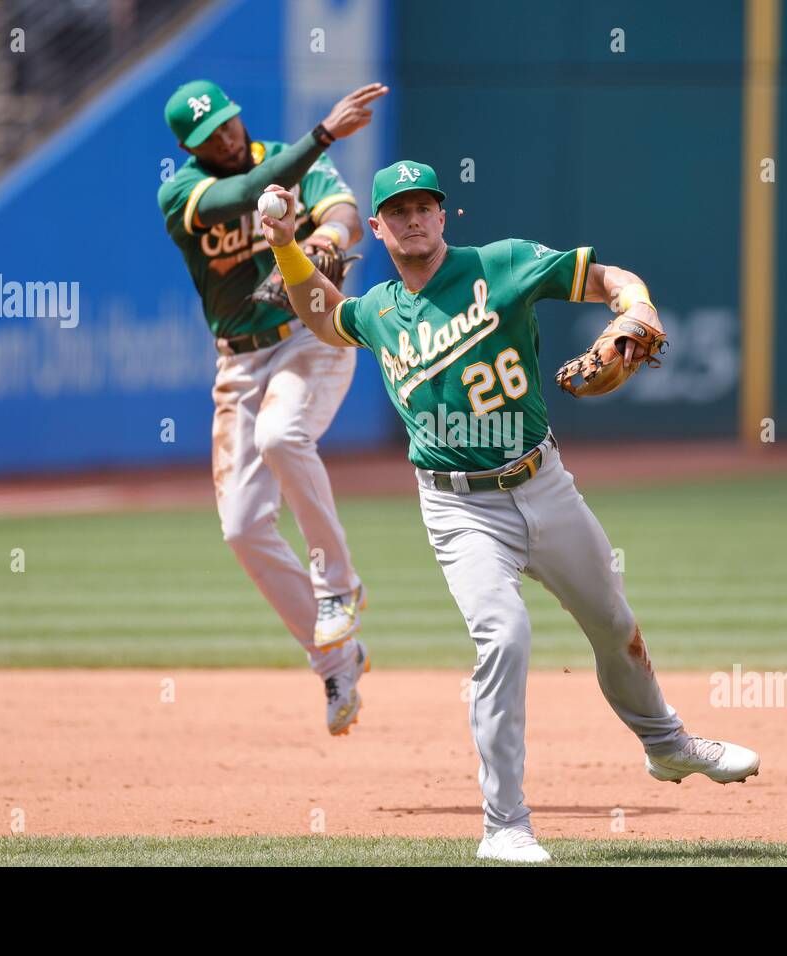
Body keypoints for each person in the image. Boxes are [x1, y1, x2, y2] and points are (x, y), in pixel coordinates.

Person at [259, 160, 761, 863]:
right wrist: (285, 244)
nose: (412, 218)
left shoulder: (505, 265)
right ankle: (504, 826)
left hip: (544, 482)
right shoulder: (376, 309)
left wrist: (636, 306)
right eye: (397, 210)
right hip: (460, 511)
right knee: (505, 638)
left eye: (424, 206)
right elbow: (321, 315)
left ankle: (667, 744)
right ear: (376, 227)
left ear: (443, 214)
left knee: (613, 622)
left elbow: (608, 279)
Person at [156, 80, 387, 735]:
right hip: (240, 361)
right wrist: (323, 134)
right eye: (210, 136)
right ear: (187, 147)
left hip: (309, 340)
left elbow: (341, 208)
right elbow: (239, 194)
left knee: (285, 437)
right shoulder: (181, 193)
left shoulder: (287, 157)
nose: (226, 137)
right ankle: (336, 658)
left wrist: (328, 243)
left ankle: (338, 584)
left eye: (228, 123)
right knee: (243, 527)